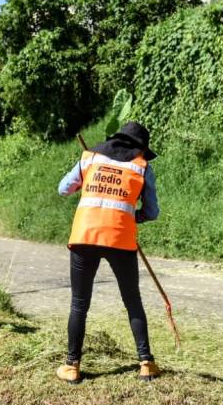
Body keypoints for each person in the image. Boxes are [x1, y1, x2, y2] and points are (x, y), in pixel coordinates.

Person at [56, 122, 161, 384]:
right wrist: (131, 216)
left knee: (79, 304)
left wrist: (86, 185)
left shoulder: (90, 157)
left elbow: (63, 189)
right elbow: (152, 212)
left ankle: (72, 367)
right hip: (120, 238)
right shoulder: (141, 166)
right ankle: (146, 363)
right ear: (140, 147)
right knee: (132, 301)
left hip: (85, 236)